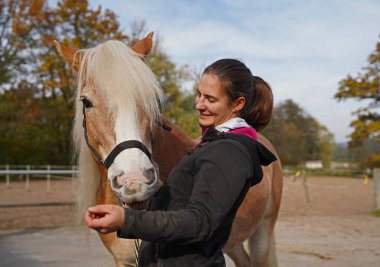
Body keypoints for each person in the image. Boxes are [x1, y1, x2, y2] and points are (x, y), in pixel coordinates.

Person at [84, 58, 276, 266]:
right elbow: (191, 199)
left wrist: (126, 220)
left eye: (210, 99)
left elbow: (199, 223)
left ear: (238, 104)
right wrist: (158, 188)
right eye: (199, 94)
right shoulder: (211, 144)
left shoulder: (228, 152)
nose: (198, 104)